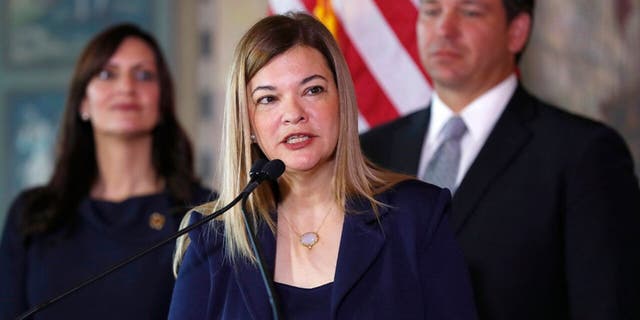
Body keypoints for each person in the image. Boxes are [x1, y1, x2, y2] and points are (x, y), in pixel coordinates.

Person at [169, 12, 477, 319]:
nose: (293, 113)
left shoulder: (417, 216)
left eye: (312, 90)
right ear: (247, 123)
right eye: (268, 99)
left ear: (341, 101)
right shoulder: (212, 240)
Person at [360, 0, 640, 319]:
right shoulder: (370, 152)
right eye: (431, 12)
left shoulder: (584, 154)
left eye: (470, 12)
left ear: (517, 32)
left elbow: (608, 307)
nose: (444, 29)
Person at [0, 23, 213, 319]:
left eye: (143, 75)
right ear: (83, 102)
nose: (126, 87)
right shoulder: (31, 215)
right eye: (107, 74)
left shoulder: (205, 215)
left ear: (162, 102)